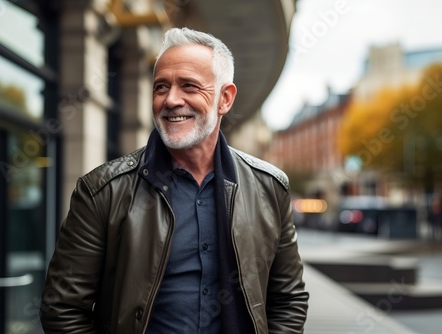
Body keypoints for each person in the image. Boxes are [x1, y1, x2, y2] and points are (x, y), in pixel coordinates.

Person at [40, 27, 309, 333]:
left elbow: (288, 299)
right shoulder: (102, 190)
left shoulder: (269, 188)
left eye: (189, 86)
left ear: (225, 99)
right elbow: (61, 308)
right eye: (161, 87)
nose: (170, 100)